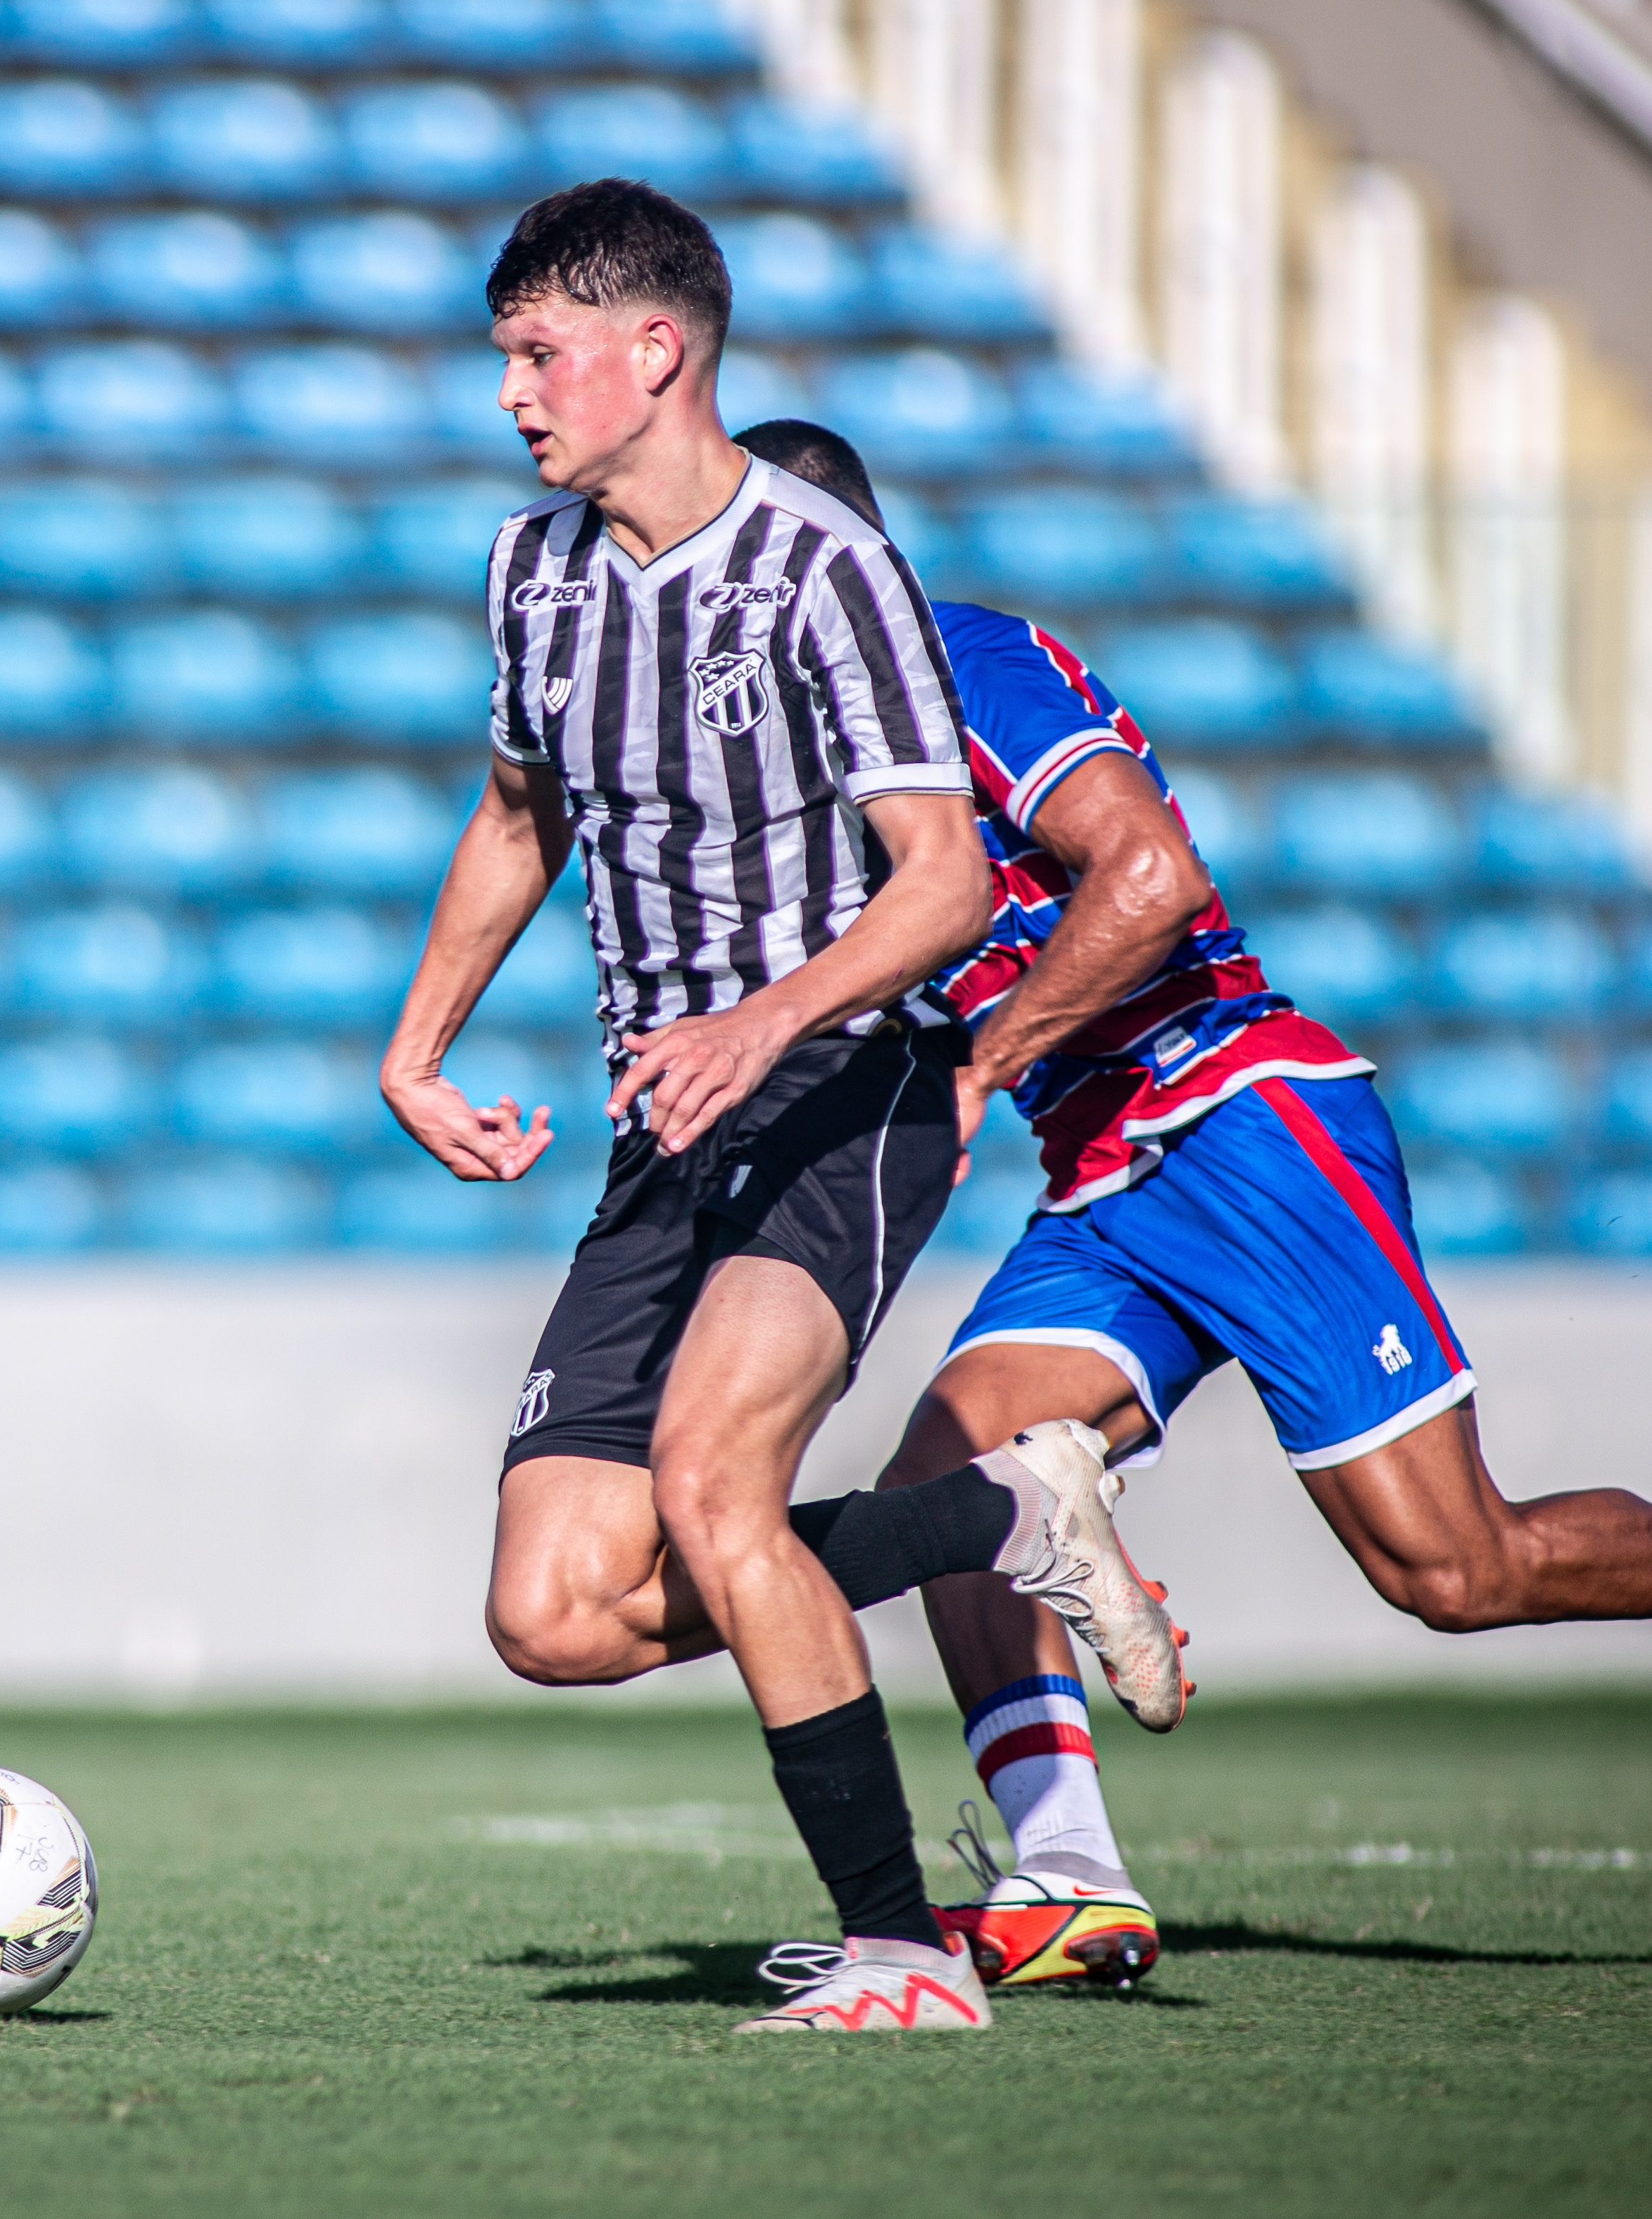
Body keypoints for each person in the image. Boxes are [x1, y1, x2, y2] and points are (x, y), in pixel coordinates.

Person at [721, 416, 1652, 1993]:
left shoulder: (966, 670)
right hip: (1107, 1170)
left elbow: (1152, 881)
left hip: (1241, 1122)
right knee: (957, 1478)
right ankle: (1070, 1875)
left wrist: (976, 1061)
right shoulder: (818, 754)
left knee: (1453, 1571)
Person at [379, 179, 1022, 2034]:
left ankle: (904, 1950)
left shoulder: (825, 566)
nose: (511, 391)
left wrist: (771, 1014)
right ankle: (985, 1519)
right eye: (505, 356)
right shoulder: (533, 572)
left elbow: (945, 879)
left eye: (534, 351)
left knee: (711, 1487)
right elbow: (519, 819)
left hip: (844, 1085)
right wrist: (417, 1046)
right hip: (665, 1125)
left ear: (651, 350)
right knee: (555, 1612)